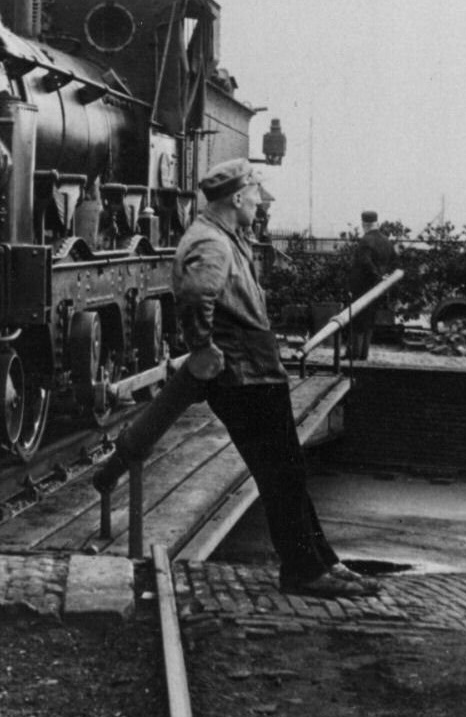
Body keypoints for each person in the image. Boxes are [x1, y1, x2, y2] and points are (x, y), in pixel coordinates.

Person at [92, 158, 378, 600]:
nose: (260, 204)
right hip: (243, 375)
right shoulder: (211, 241)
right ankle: (304, 569)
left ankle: (322, 560)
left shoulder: (226, 237)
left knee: (288, 470)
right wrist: (204, 348)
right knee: (279, 472)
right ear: (237, 198)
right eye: (256, 197)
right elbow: (194, 296)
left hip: (256, 369)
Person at [345, 210, 397, 362]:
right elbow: (395, 261)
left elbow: (365, 262)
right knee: (370, 321)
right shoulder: (386, 241)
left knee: (358, 320)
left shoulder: (365, 241)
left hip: (362, 287)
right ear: (377, 223)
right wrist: (384, 276)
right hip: (377, 288)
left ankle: (355, 355)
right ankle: (363, 354)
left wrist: (377, 275)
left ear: (364, 224)